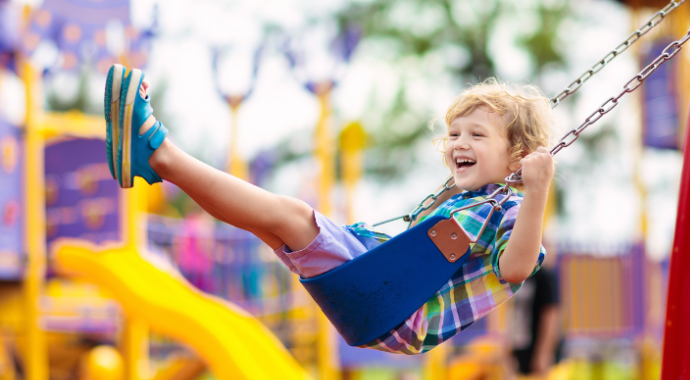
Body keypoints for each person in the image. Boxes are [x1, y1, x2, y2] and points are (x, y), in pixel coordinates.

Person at [103, 64, 556, 354]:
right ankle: (153, 162)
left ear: (518, 157)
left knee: (290, 216)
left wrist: (537, 191)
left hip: (396, 307)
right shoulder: (466, 202)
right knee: (266, 222)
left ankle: (159, 153)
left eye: (477, 135)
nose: (459, 143)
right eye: (454, 134)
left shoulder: (512, 209)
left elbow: (516, 268)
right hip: (380, 293)